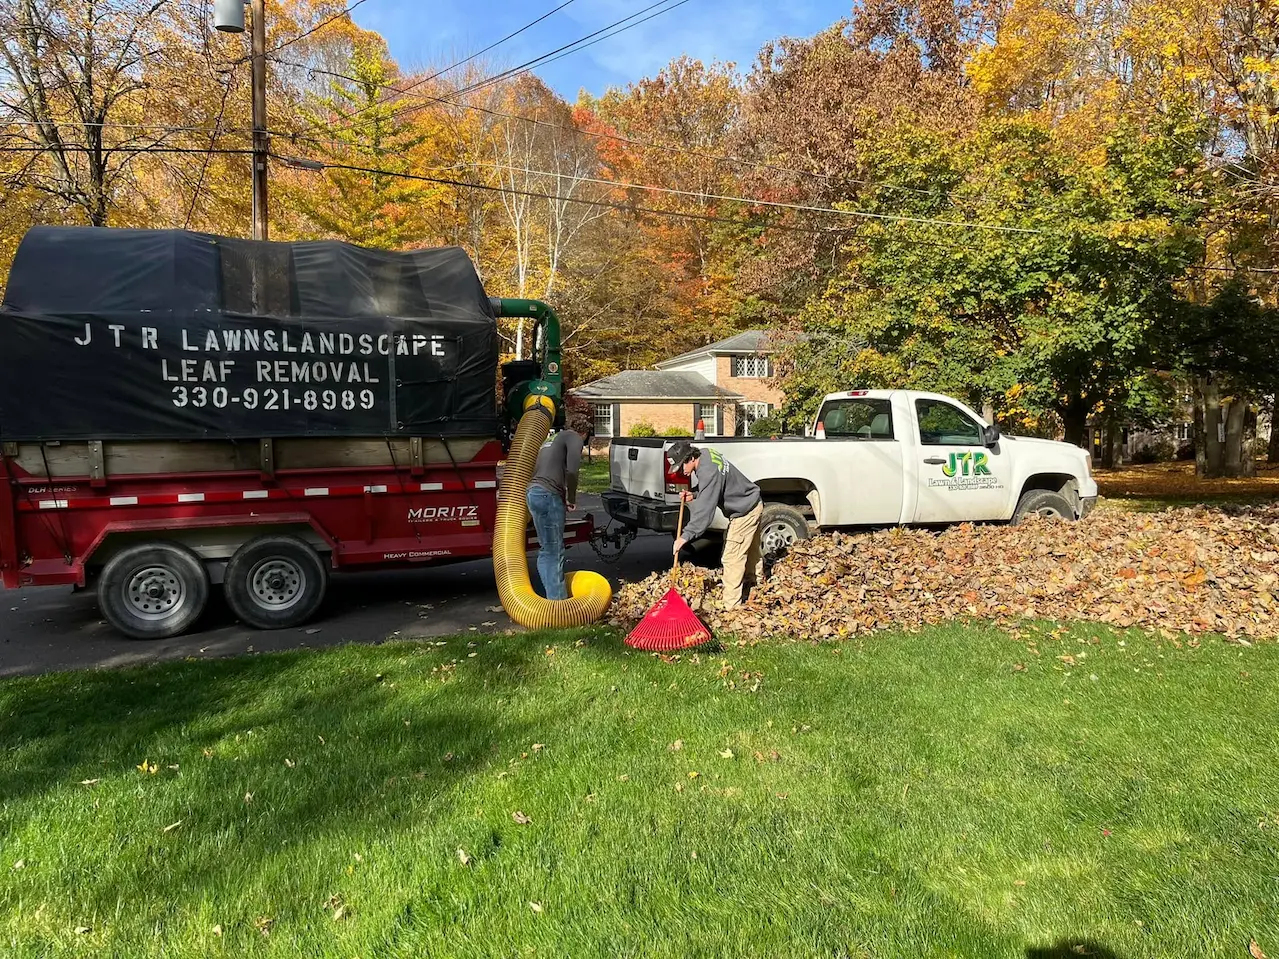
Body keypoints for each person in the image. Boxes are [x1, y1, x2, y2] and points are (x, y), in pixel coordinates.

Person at [668, 440, 764, 610]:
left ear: (691, 458)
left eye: (682, 467)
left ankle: (731, 607)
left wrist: (685, 537)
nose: (682, 472)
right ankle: (756, 586)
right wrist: (695, 493)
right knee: (750, 551)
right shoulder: (706, 454)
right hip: (753, 502)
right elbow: (715, 484)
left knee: (731, 557)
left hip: (744, 512)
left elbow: (704, 513)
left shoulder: (707, 471)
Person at [526, 422, 588, 601]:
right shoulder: (574, 437)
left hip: (533, 492)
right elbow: (572, 471)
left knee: (547, 549)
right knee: (554, 551)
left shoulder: (552, 438)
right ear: (585, 432)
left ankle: (551, 599)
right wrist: (571, 498)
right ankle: (558, 605)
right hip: (548, 495)